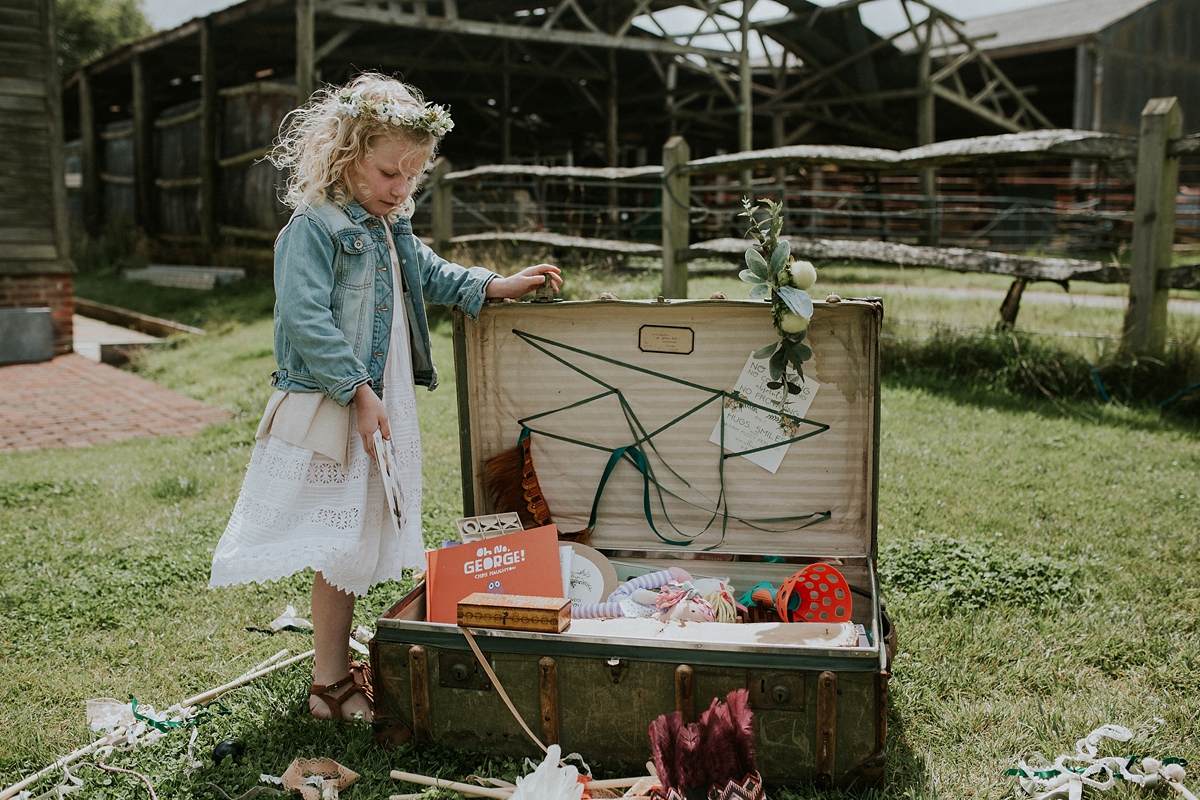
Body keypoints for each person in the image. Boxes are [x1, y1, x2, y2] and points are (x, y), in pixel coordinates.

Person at [208, 73, 561, 722]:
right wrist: (359, 392)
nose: (400, 191)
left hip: (378, 399)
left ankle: (335, 672)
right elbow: (306, 320)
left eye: (411, 177)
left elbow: (430, 274)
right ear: (346, 155)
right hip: (341, 404)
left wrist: (496, 285)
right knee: (340, 539)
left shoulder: (388, 225)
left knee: (361, 533)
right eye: (388, 174)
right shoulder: (312, 229)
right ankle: (330, 684)